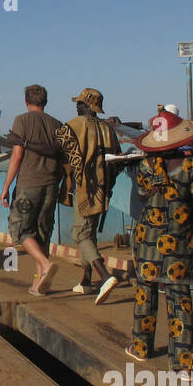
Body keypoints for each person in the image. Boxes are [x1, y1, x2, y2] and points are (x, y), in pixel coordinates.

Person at [126, 109, 193, 378]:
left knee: (145, 295)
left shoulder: (146, 166)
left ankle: (141, 347)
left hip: (148, 240)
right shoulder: (191, 166)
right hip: (181, 241)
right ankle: (182, 364)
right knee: (180, 300)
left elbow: (144, 197)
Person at [56, 87, 121, 303]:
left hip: (82, 187)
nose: (76, 106)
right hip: (102, 188)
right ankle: (86, 280)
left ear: (87, 106)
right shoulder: (107, 129)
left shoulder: (75, 125)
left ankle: (105, 276)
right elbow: (117, 160)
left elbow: (58, 149)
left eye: (80, 103)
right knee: (90, 232)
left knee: (80, 233)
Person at [1, 85, 64, 294]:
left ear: (26, 101)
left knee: (19, 229)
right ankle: (39, 285)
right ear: (45, 101)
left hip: (29, 185)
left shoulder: (22, 120)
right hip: (51, 185)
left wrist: (6, 186)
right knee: (42, 233)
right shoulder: (57, 124)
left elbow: (17, 156)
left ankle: (45, 266)